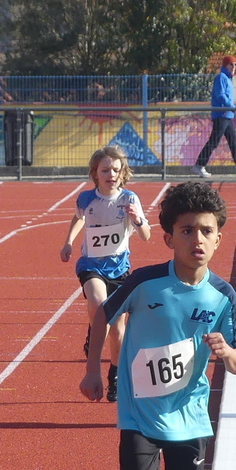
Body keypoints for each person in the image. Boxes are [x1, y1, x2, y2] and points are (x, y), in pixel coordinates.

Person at [80, 181, 236, 470]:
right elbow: (103, 316)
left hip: (190, 415)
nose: (197, 239)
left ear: (218, 238)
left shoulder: (222, 296)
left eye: (206, 231)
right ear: (169, 237)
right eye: (187, 230)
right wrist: (94, 370)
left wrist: (226, 352)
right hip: (140, 412)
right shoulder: (145, 282)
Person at [61, 147, 151, 403]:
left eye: (116, 170)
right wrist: (68, 242)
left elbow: (146, 236)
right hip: (91, 264)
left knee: (118, 331)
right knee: (98, 303)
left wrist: (138, 220)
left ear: (123, 173)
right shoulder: (86, 199)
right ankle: (94, 329)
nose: (111, 174)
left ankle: (115, 375)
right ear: (95, 173)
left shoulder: (129, 199)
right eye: (105, 170)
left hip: (119, 269)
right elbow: (78, 218)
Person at [195, 55, 236, 178]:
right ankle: (199, 165)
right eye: (231, 64)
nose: (233, 67)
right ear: (225, 65)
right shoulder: (221, 77)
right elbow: (220, 95)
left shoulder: (227, 79)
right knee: (214, 141)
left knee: (234, 141)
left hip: (227, 115)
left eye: (235, 64)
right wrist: (232, 107)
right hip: (221, 114)